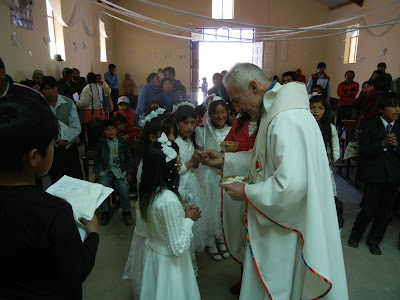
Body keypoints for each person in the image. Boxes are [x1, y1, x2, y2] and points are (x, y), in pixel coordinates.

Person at [201, 63, 348, 299]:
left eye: (237, 100)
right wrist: (225, 160)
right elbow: (264, 158)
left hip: (289, 224)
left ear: (254, 87)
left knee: (285, 286)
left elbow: (292, 184)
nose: (237, 109)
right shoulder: (276, 110)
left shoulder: (285, 118)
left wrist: (248, 192)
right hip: (285, 217)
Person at [0, 95, 99, 299]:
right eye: (53, 145)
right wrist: (93, 234)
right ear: (34, 157)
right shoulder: (54, 211)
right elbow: (76, 270)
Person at [138, 137, 201, 300]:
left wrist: (181, 213)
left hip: (156, 255)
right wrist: (189, 220)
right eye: (178, 160)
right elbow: (178, 247)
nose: (180, 164)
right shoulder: (167, 200)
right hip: (169, 264)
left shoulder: (150, 191)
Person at [123, 113, 176, 299]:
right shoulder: (150, 162)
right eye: (166, 134)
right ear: (152, 137)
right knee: (154, 257)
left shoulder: (162, 156)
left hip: (158, 212)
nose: (170, 139)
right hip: (154, 217)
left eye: (172, 134)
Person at [348, 92, 400, 255]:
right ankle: (355, 236)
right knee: (368, 209)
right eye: (392, 106)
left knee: (385, 212)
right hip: (374, 175)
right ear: (380, 110)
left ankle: (374, 240)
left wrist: (397, 145)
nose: (397, 109)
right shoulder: (369, 125)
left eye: (398, 105)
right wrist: (382, 143)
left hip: (393, 176)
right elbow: (364, 151)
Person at [196, 96, 232, 261]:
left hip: (226, 172)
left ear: (228, 113)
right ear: (210, 115)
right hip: (210, 174)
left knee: (224, 209)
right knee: (211, 209)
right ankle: (210, 241)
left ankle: (222, 238)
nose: (220, 116)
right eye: (216, 113)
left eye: (223, 112)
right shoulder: (203, 132)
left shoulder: (232, 130)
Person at [174, 103, 208, 252]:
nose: (189, 127)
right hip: (180, 186)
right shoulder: (174, 143)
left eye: (192, 123)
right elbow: (173, 171)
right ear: (177, 123)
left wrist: (197, 161)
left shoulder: (190, 141)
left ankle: (190, 253)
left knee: (193, 219)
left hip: (192, 183)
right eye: (185, 123)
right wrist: (191, 162)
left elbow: (194, 166)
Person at [39, 76, 84, 183]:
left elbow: (76, 126)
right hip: (51, 149)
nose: (49, 92)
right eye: (45, 89)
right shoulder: (40, 106)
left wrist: (64, 139)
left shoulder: (67, 103)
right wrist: (55, 142)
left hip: (69, 146)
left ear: (56, 88)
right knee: (57, 180)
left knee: (75, 178)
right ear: (41, 91)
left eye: (51, 88)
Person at [309, 95, 343, 228]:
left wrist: (321, 160)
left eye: (320, 108)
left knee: (326, 201)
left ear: (326, 110)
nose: (315, 111)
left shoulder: (330, 128)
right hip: (307, 171)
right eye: (312, 107)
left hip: (324, 172)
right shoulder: (304, 127)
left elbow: (336, 154)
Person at [94, 119, 133, 226]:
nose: (110, 131)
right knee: (101, 187)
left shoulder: (122, 142)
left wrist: (129, 172)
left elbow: (128, 158)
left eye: (112, 128)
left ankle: (126, 211)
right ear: (103, 133)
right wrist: (97, 171)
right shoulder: (101, 143)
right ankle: (105, 211)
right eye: (107, 129)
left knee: (124, 188)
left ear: (116, 130)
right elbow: (97, 158)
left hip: (120, 170)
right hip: (106, 170)